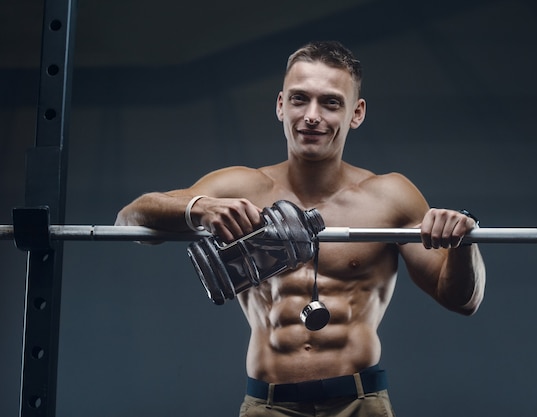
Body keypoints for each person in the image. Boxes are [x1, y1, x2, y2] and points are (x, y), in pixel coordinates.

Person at [115, 40, 486, 417]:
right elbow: (129, 219)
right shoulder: (242, 187)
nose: (311, 115)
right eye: (299, 99)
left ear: (356, 113)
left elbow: (462, 300)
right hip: (269, 405)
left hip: (359, 404)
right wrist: (200, 208)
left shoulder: (389, 197)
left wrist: (463, 242)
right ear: (280, 105)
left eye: (330, 102)